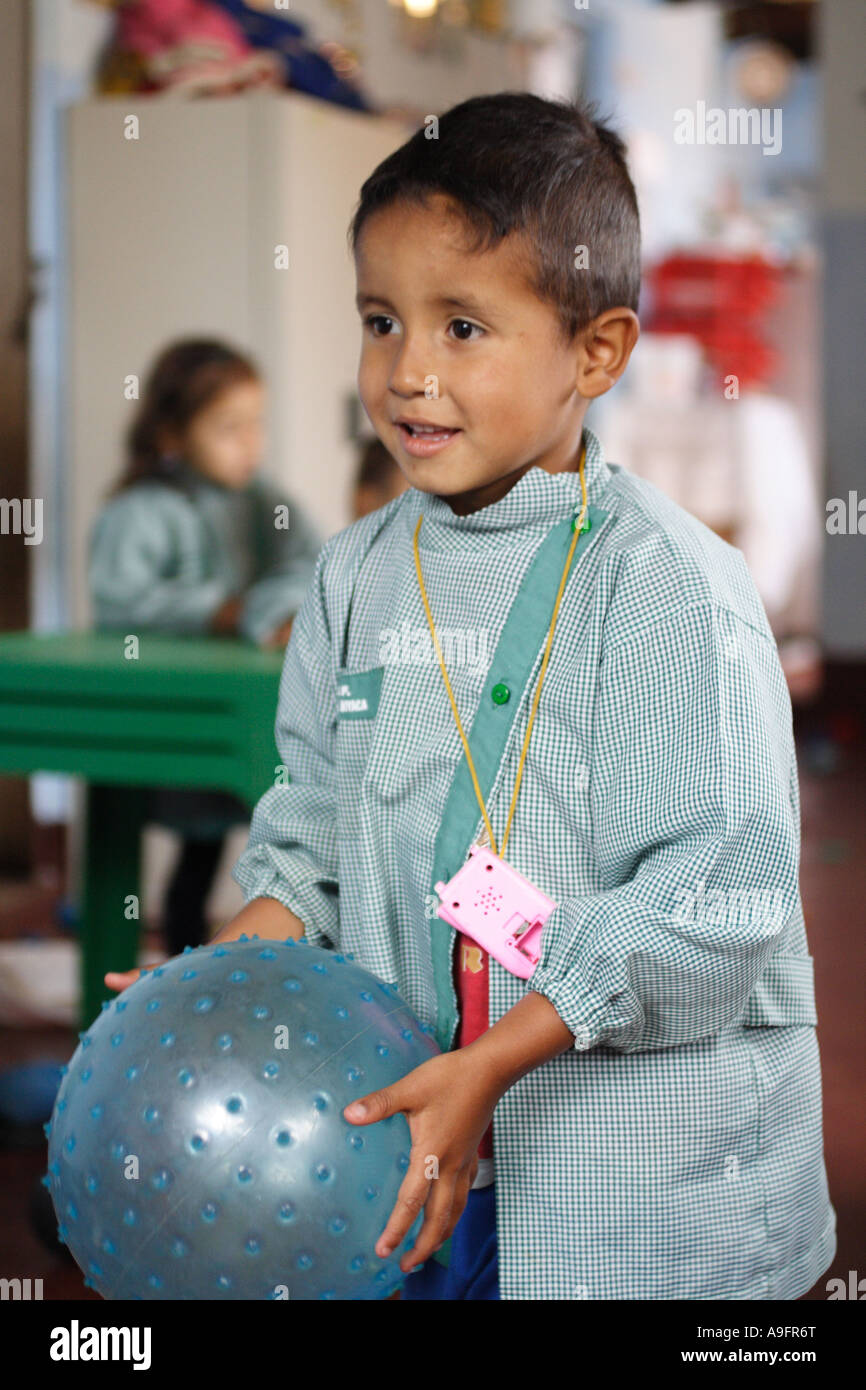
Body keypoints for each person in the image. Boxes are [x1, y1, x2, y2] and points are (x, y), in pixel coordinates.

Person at [106, 95, 835, 1301]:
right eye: (380, 320)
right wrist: (205, 987)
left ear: (594, 353)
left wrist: (495, 1058)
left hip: (630, 1206)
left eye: (460, 326)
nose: (407, 373)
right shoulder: (349, 578)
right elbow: (308, 847)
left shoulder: (669, 592)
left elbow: (715, 898)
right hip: (426, 1170)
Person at [89, 337, 321, 957]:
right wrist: (223, 610)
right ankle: (162, 980)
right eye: (229, 428)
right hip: (162, 717)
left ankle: (224, 973)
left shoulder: (265, 503)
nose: (252, 444)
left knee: (237, 847)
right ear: (172, 433)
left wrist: (277, 610)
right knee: (174, 869)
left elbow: (312, 565)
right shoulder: (142, 512)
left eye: (257, 426)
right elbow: (121, 602)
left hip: (244, 714)